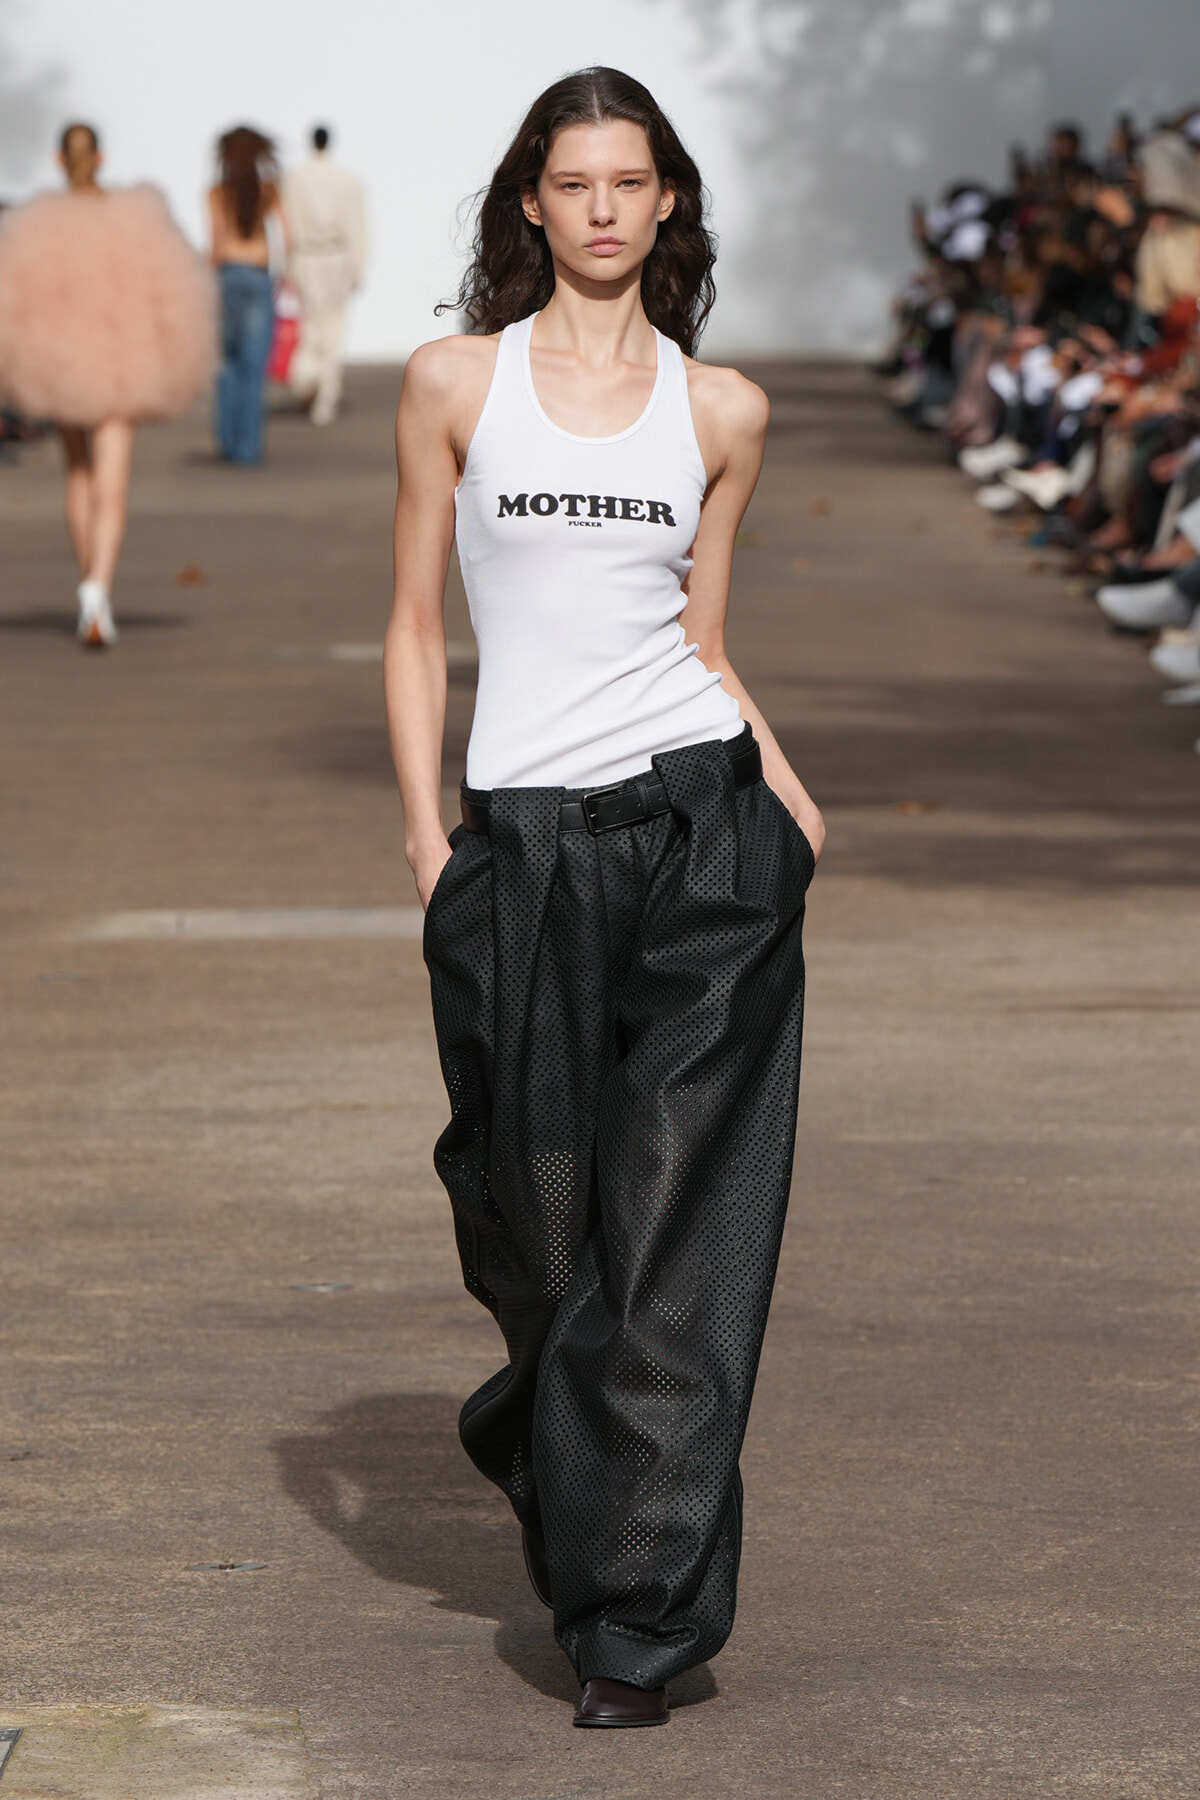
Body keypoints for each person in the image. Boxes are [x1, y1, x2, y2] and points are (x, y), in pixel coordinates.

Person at [384, 67, 824, 1730]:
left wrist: (780, 792)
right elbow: (418, 623)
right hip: (526, 851)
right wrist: (433, 843)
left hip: (702, 835)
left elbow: (701, 642)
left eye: (632, 181)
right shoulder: (451, 387)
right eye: (576, 183)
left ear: (666, 202)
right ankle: (549, 1445)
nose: (605, 209)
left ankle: (635, 1622)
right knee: (537, 1226)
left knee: (679, 1236)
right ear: (530, 204)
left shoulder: (721, 412)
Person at [0, 122, 215, 646]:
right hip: (120, 365)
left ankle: (88, 589)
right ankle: (98, 588)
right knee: (111, 488)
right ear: (101, 157)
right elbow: (166, 292)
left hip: (61, 364)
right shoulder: (131, 219)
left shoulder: (37, 224)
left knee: (78, 477)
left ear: (58, 160)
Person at [208, 127, 285, 463]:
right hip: (257, 274)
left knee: (227, 365)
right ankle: (248, 448)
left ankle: (228, 441)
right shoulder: (268, 190)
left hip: (226, 274)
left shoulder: (216, 192)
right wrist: (283, 276)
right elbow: (289, 235)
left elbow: (214, 241)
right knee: (254, 367)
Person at [283, 126, 366, 426]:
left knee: (311, 324)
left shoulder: (295, 179)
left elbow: (287, 225)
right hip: (336, 257)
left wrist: (287, 266)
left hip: (306, 256)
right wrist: (357, 267)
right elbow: (357, 225)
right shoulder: (345, 179)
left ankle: (310, 382)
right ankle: (323, 391)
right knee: (332, 325)